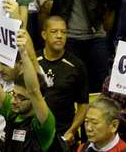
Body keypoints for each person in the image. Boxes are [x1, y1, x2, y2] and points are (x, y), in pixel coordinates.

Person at [0, 28, 56, 151]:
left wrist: (23, 52)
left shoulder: (44, 124)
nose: (14, 100)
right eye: (14, 94)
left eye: (21, 97)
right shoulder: (13, 110)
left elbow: (34, 91)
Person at [37, 16, 89, 147]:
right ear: (44, 34)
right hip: (36, 132)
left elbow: (83, 105)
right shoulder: (33, 62)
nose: (59, 36)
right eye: (54, 32)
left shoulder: (76, 65)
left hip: (64, 134)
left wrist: (71, 131)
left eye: (63, 32)